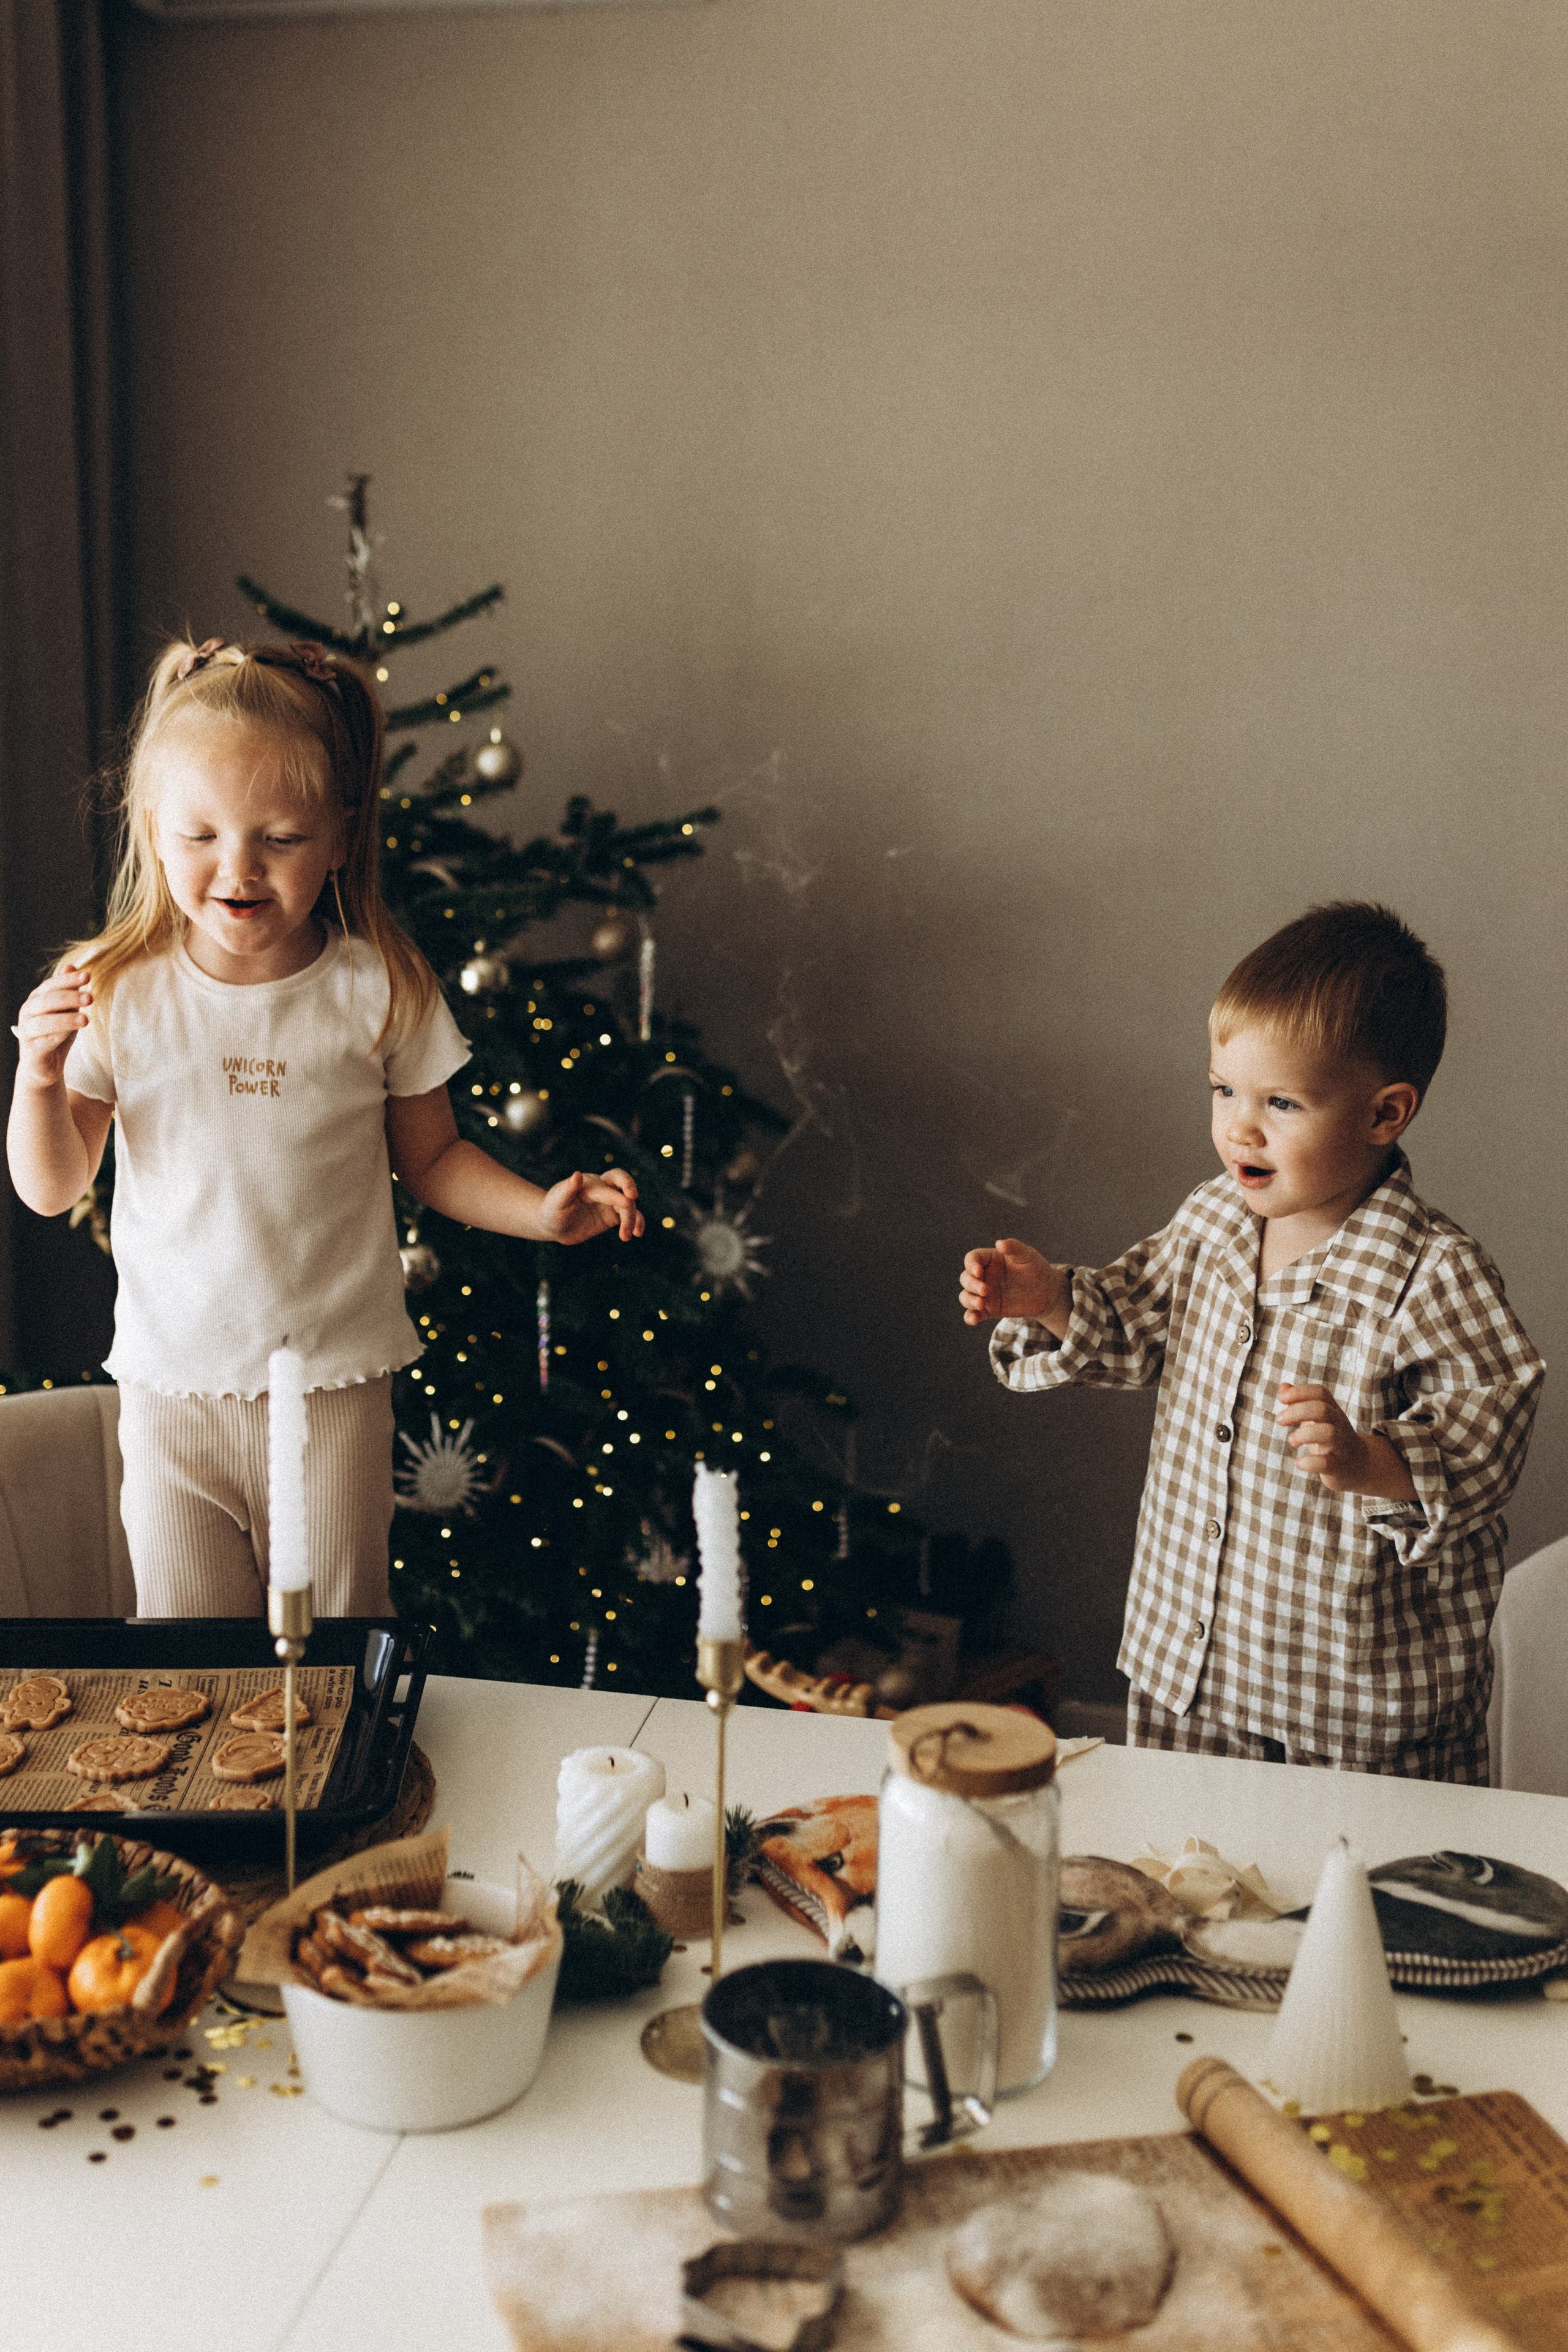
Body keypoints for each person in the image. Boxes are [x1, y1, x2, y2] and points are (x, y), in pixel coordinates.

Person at [6, 636, 644, 1619]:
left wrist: (542, 1215)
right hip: (170, 1396)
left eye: (281, 838)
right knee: (195, 1675)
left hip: (335, 1394)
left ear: (341, 836)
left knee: (339, 1653)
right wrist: (39, 1078)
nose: (240, 867)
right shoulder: (118, 992)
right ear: (152, 830)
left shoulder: (377, 988)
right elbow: (52, 1187)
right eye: (203, 835)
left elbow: (433, 1158)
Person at [959, 902, 1544, 1783]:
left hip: (1352, 1708)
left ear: (1384, 1114)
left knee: (1353, 1903)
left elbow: (1488, 1424)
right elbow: (1130, 1319)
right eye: (1224, 1090)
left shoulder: (1434, 1273)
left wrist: (1371, 1461)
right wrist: (1049, 1299)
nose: (1240, 1126)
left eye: (1281, 1103)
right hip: (1197, 1674)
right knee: (1193, 1879)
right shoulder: (1212, 1222)